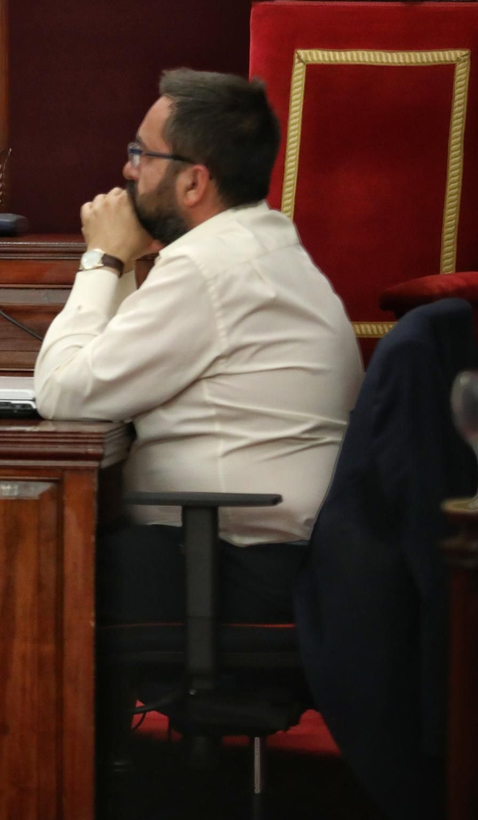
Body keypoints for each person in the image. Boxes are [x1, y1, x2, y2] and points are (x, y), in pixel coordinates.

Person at [33, 68, 362, 625]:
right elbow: (112, 366)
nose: (127, 170)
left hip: (231, 563)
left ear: (193, 183)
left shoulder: (210, 267)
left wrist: (104, 259)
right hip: (261, 552)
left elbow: (63, 393)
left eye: (142, 154)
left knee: (25, 566)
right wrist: (130, 261)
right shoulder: (256, 241)